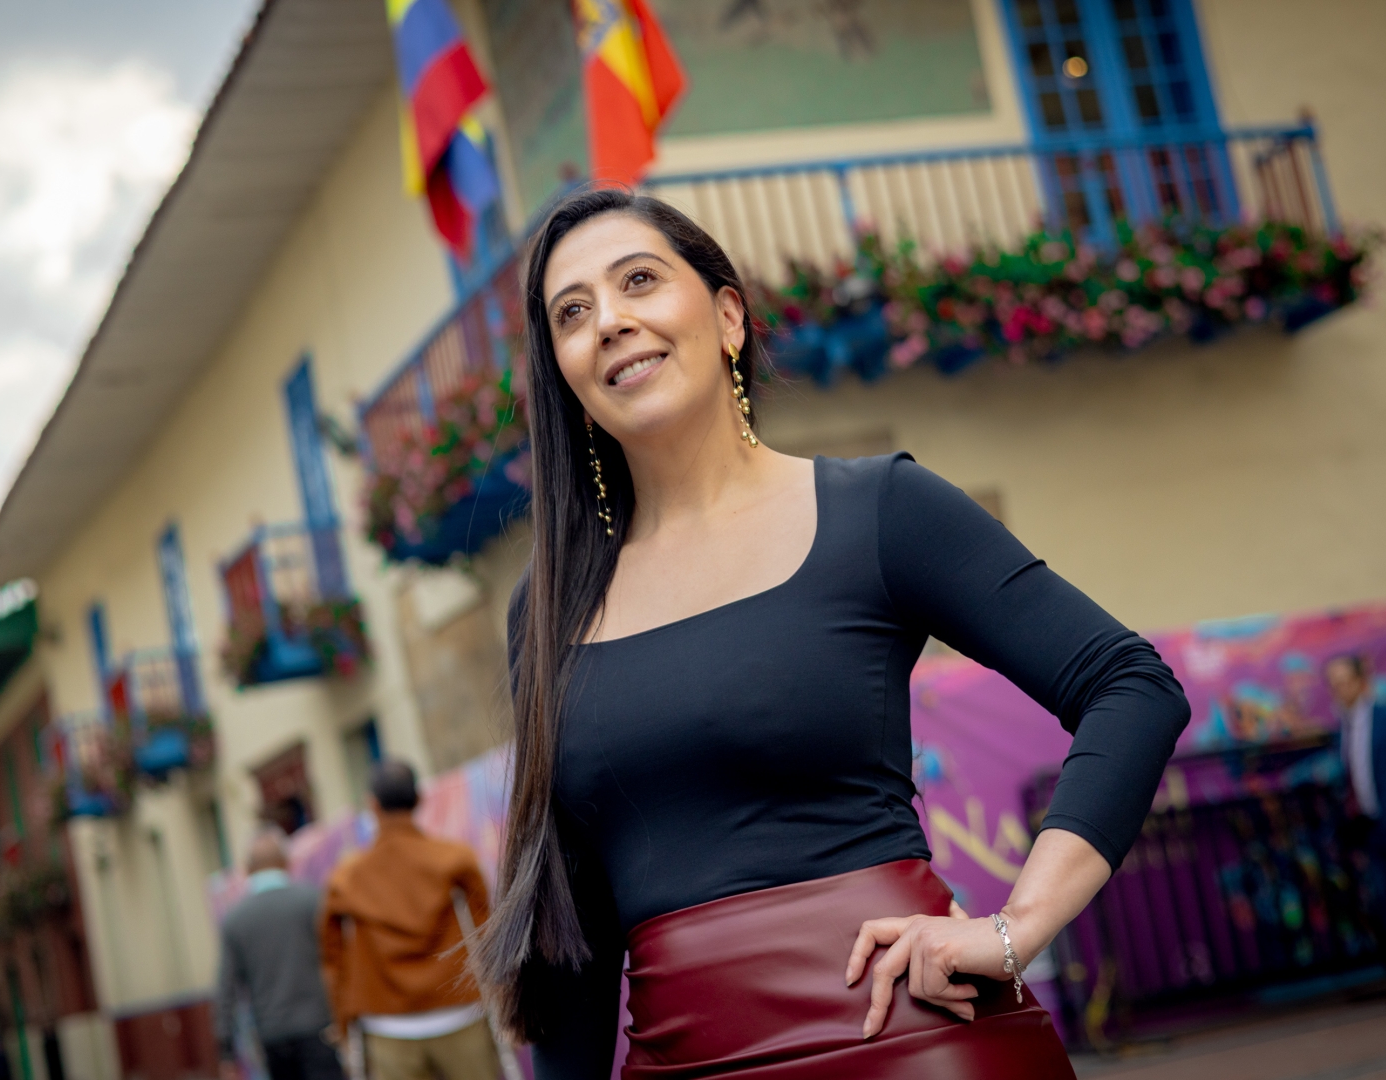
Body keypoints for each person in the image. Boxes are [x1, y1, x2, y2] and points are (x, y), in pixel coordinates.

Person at [469, 189, 1193, 1079]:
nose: (610, 321)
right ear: (564, 375)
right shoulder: (547, 607)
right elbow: (566, 919)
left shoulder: (878, 509)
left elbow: (1131, 686)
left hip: (915, 1047)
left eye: (639, 281)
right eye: (571, 313)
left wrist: (1018, 926)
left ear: (727, 316)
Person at [319, 761, 500, 1080]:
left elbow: (334, 961)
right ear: (418, 799)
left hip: (387, 1025)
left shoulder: (346, 879)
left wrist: (344, 1023)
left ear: (372, 805)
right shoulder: (455, 859)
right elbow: (488, 932)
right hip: (461, 1012)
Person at [214, 830, 343, 1080]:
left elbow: (226, 990)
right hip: (320, 1027)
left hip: (273, 1035)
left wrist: (226, 1051)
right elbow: (340, 960)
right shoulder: (313, 901)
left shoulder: (235, 919)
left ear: (247, 869)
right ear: (287, 862)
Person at [1325, 654, 1386, 1004]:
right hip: (1371, 832)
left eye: (1345, 681)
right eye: (1334, 684)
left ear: (1361, 681)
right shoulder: (1343, 728)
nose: (1340, 690)